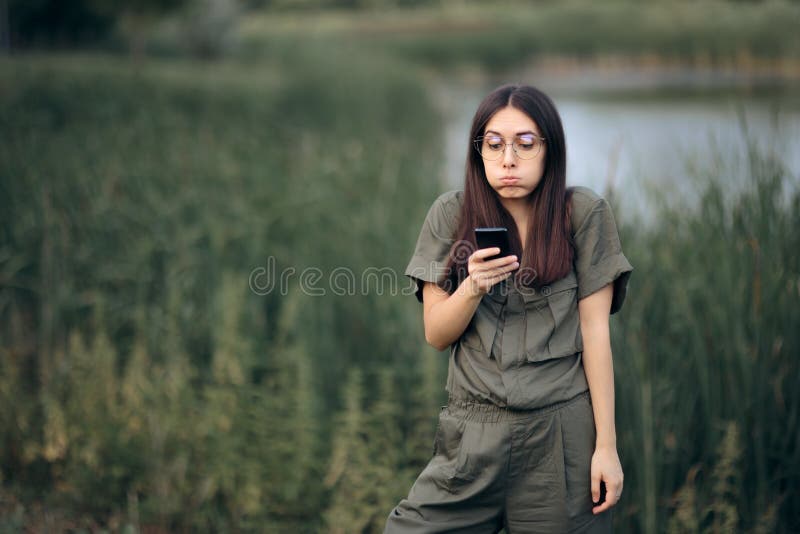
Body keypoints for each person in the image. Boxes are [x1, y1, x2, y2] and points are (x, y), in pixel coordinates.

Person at [384, 84, 633, 533]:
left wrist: (607, 447)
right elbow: (436, 334)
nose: (508, 160)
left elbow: (596, 334)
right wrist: (472, 286)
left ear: (549, 149)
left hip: (560, 439)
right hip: (473, 435)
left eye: (525, 143)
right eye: (494, 145)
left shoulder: (584, 214)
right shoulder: (451, 214)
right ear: (477, 151)